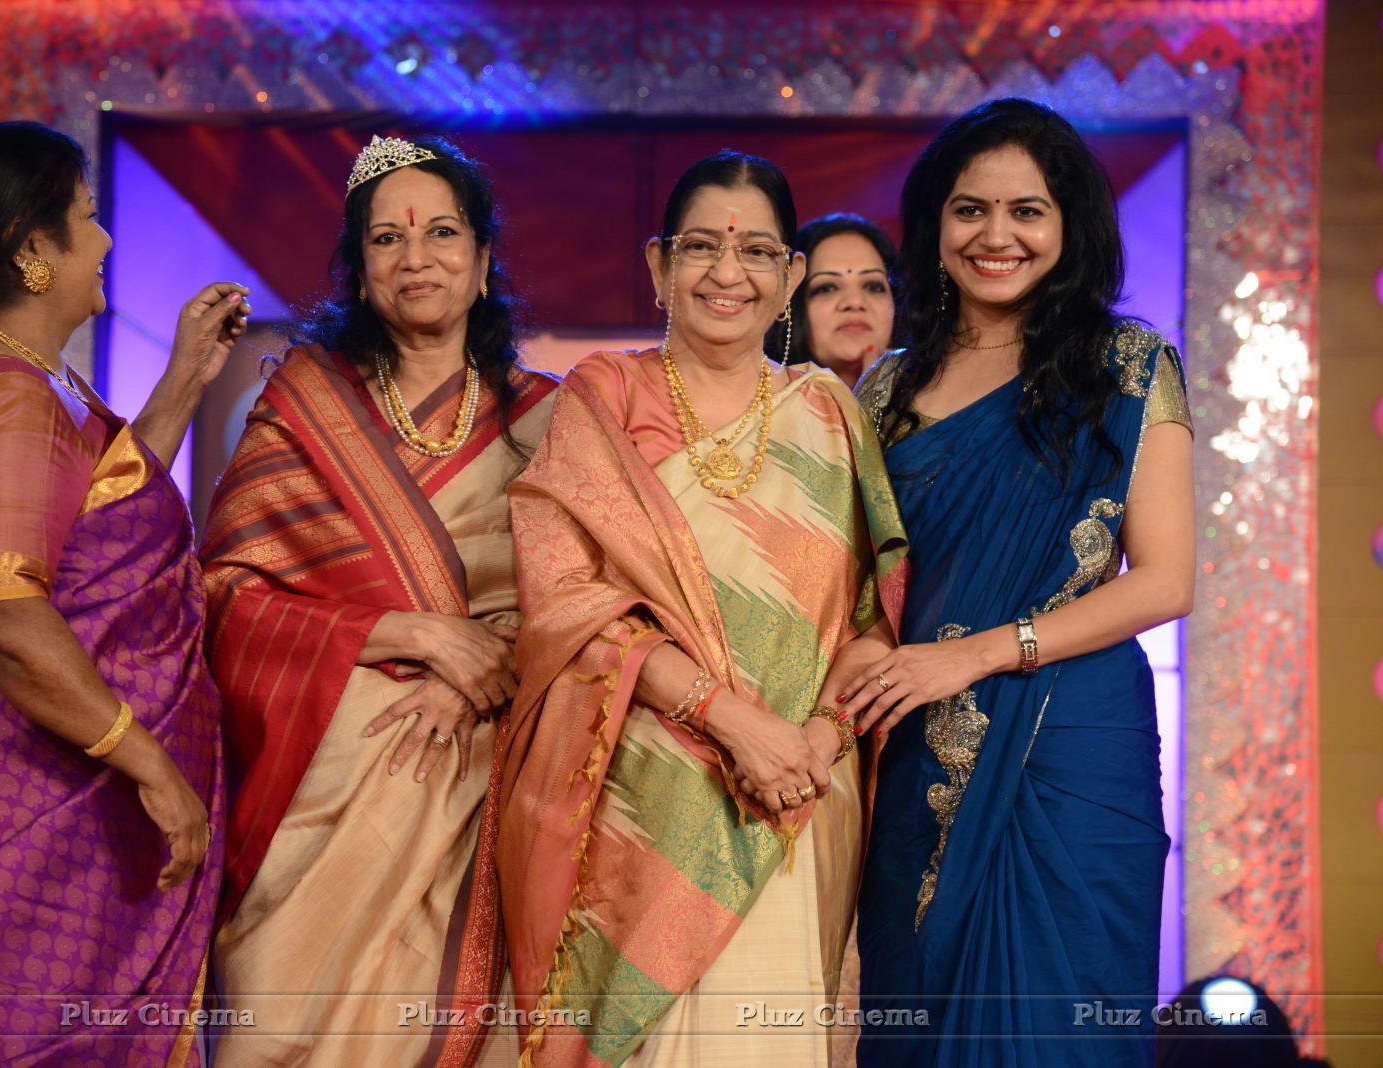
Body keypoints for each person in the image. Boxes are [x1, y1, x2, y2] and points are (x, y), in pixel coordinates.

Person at [498, 151, 909, 1065]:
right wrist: (730, 724)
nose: (729, 274)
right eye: (700, 248)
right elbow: (566, 602)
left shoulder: (831, 413)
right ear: (657, 265)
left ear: (791, 276)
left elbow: (873, 620)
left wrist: (817, 740)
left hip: (797, 799)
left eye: (759, 251)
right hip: (646, 794)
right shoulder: (605, 397)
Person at [0, 120, 245, 1063]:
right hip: (28, 809)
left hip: (43, 797)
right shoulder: (3, 395)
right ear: (34, 250)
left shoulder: (26, 378)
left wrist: (186, 375)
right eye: (89, 216)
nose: (106, 239)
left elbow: (92, 526)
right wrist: (149, 763)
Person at [844, 98, 1195, 1065]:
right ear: (935, 224)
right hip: (917, 740)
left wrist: (980, 655)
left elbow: (1165, 583)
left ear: (1070, 223)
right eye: (969, 210)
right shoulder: (888, 388)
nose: (996, 236)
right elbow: (859, 582)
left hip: (1073, 743)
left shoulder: (1130, 363)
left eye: (1026, 212)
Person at [202, 135, 558, 1066]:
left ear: (483, 263)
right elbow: (229, 595)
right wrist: (411, 635)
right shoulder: (299, 407)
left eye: (443, 232)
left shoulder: (550, 419)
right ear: (360, 271)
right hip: (322, 783)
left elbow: (588, 601)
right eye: (388, 239)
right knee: (280, 1023)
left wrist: (486, 666)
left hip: (491, 771)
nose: (417, 257)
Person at [779, 213, 898, 385]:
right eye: (827, 288)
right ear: (793, 305)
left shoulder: (937, 402)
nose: (855, 302)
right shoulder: (763, 408)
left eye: (873, 286)